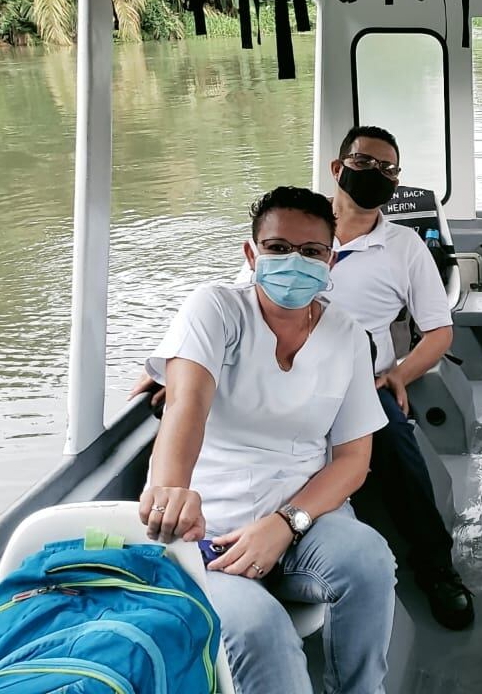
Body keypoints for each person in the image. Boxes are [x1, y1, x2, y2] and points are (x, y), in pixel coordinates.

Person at [139, 186, 396, 694]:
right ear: (252, 255)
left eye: (311, 251)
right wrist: (172, 490)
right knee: (261, 629)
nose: (293, 262)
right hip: (209, 533)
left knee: (371, 561)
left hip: (305, 522)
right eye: (278, 248)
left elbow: (352, 459)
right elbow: (185, 405)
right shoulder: (216, 310)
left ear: (331, 261)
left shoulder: (347, 335)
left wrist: (285, 523)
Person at [321, 125, 474, 631]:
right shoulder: (303, 230)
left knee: (401, 455)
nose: (377, 174)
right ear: (338, 168)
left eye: (388, 169)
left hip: (364, 383)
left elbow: (438, 331)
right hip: (286, 373)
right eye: (365, 163)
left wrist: (399, 374)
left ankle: (436, 567)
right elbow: (237, 303)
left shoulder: (403, 246)